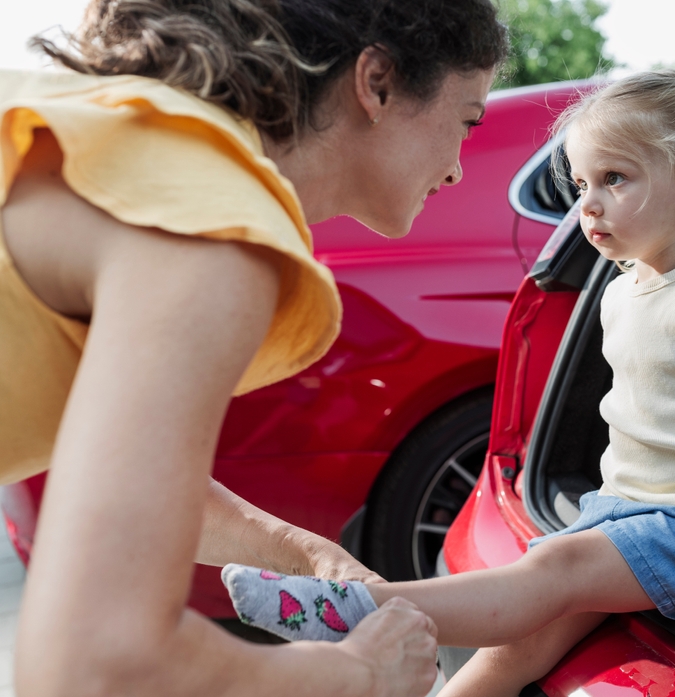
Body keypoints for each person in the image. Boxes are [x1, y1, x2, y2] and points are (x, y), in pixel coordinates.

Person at [222, 66, 675, 696]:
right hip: (626, 512)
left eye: (614, 179)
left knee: (550, 570)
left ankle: (364, 607)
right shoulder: (622, 290)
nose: (588, 203)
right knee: (518, 645)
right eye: (584, 183)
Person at [0, 1, 506, 695]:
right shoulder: (209, 223)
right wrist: (359, 672)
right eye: (467, 120)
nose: (455, 169)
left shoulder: (127, 137)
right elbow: (97, 664)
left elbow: (148, 483)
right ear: (378, 81)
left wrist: (306, 553)